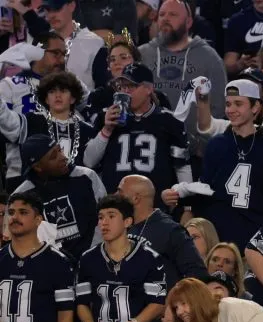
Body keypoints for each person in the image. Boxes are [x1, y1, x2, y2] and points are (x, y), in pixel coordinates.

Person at [172, 79, 263, 249]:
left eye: (238, 104)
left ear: (255, 107)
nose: (231, 110)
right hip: (215, 240)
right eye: (228, 104)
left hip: (253, 243)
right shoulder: (216, 144)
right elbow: (204, 191)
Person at [76, 195, 167, 322]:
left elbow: (157, 304)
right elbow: (82, 302)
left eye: (111, 216)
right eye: (101, 217)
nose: (104, 223)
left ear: (127, 222)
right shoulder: (87, 259)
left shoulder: (150, 258)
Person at [84, 63, 193, 207]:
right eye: (122, 87)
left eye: (131, 87)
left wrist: (187, 208)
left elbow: (182, 168)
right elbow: (89, 161)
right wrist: (107, 129)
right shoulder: (105, 117)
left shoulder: (170, 122)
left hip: (155, 206)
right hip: (116, 207)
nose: (125, 92)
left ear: (149, 89)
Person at [14, 133, 107, 263]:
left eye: (60, 150)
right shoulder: (22, 195)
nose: (63, 157)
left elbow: (105, 220)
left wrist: (91, 256)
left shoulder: (87, 177)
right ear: (38, 167)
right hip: (47, 267)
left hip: (94, 260)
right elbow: (22, 238)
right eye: (53, 156)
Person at [0, 192, 75, 322]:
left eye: (23, 212)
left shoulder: (59, 262)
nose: (14, 217)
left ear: (38, 219)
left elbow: (65, 315)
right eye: (11, 212)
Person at [138, 0, 227, 117]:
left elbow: (219, 106)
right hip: (149, 133)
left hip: (193, 134)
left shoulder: (208, 57)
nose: (165, 18)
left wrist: (201, 134)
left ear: (189, 22)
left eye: (173, 14)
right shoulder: (142, 54)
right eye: (162, 14)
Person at [118, 175, 206, 289]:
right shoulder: (121, 226)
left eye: (120, 192)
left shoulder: (171, 231)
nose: (115, 196)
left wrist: (172, 301)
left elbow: (198, 275)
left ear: (136, 198)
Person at [0, 70, 96, 175]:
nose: (57, 96)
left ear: (73, 98)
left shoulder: (86, 129)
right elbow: (8, 121)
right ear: (46, 99)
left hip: (76, 188)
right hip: (38, 188)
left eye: (63, 91)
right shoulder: (33, 121)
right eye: (52, 91)